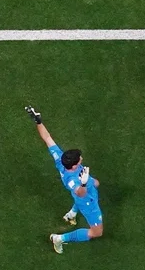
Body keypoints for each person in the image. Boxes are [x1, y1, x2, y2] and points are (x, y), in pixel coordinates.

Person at [26, 106, 103, 254]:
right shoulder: (72, 180)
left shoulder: (61, 159)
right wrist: (86, 182)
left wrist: (38, 121)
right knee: (96, 232)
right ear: (74, 165)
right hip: (87, 201)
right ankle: (59, 238)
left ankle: (72, 214)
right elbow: (80, 192)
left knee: (96, 184)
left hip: (85, 188)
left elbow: (47, 139)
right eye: (79, 158)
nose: (81, 158)